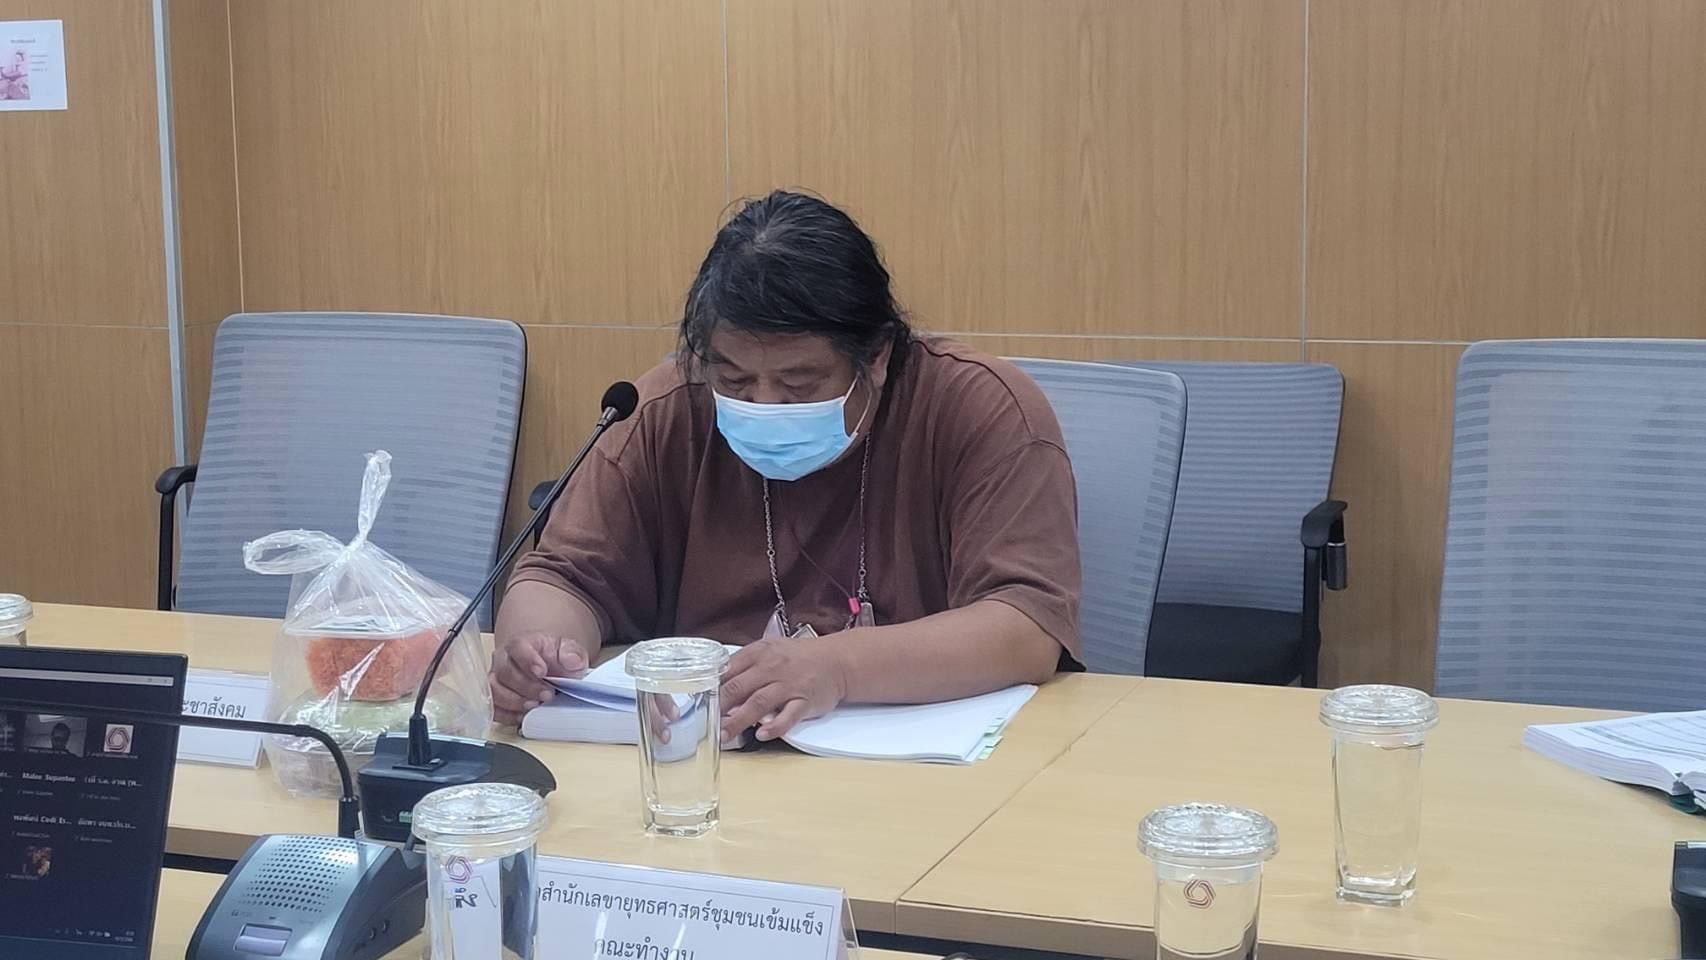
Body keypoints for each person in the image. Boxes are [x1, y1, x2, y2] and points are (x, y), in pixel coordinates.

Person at [493, 191, 1082, 743]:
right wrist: (539, 652)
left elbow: (1025, 626)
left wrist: (839, 667)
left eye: (799, 384)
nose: (764, 404)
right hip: (710, 757)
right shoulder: (665, 409)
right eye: (735, 380)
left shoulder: (978, 409)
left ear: (877, 356)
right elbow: (563, 577)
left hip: (928, 763)